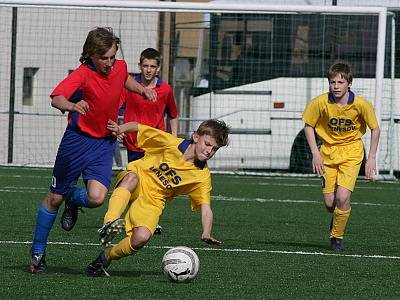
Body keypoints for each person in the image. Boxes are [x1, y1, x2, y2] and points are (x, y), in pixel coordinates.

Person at [30, 27, 156, 275]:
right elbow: (56, 98)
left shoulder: (119, 67)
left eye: (112, 57)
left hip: (103, 143)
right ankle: (38, 252)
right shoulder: (82, 74)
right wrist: (72, 105)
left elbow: (124, 78)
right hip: (77, 142)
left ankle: (72, 201)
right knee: (54, 197)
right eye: (103, 58)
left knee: (97, 197)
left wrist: (141, 89)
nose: (109, 63)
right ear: (91, 55)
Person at [85, 118, 230, 277]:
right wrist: (121, 128)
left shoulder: (201, 176)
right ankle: (109, 222)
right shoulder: (171, 143)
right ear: (196, 137)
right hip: (138, 177)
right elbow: (138, 126)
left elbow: (206, 208)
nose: (209, 151)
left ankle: (106, 256)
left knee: (141, 238)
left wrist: (206, 232)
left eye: (214, 149)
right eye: (207, 144)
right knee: (131, 178)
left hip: (153, 200)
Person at [302, 62, 380, 251]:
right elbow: (308, 125)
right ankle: (337, 219)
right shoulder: (320, 102)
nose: (336, 86)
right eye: (332, 82)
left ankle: (337, 237)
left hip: (352, 153)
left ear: (349, 83)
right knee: (330, 204)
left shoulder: (361, 104)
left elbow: (375, 129)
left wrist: (371, 157)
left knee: (342, 198)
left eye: (340, 82)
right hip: (327, 153)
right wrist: (315, 153)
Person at [117, 48, 179, 234]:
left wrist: (174, 138)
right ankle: (131, 216)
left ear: (158, 68)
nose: (149, 69)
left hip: (156, 145)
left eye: (152, 66)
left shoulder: (166, 89)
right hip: (133, 142)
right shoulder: (129, 87)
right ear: (139, 66)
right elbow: (115, 108)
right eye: (145, 66)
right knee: (134, 180)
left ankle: (149, 219)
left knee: (153, 183)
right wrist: (117, 130)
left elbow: (173, 115)